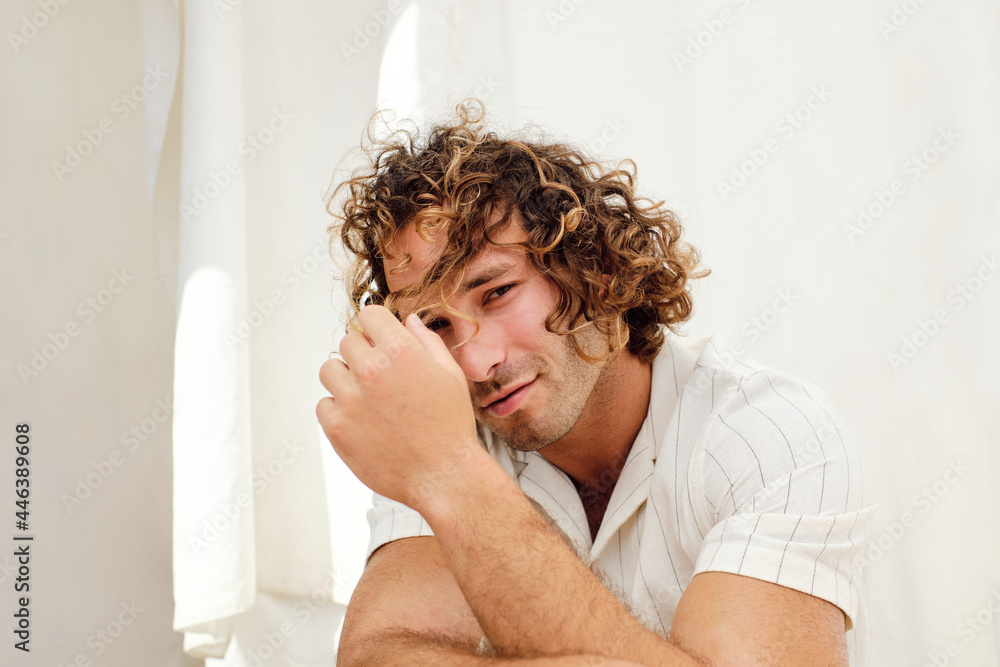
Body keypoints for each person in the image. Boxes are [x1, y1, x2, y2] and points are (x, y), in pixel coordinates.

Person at [317, 101, 873, 666]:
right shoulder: (438, 435)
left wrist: (453, 475)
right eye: (436, 326)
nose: (477, 365)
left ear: (596, 268)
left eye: (498, 293)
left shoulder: (773, 434)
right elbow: (375, 656)